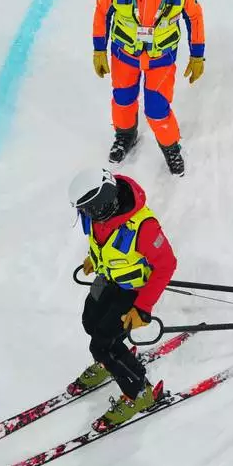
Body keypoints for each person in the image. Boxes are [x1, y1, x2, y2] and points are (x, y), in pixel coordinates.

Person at [68, 167, 176, 430]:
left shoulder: (144, 227)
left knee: (102, 344)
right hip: (108, 279)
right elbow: (104, 244)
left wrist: (143, 308)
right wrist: (93, 259)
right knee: (90, 322)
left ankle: (139, 393)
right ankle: (111, 362)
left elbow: (166, 264)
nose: (87, 215)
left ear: (106, 200)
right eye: (84, 210)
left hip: (134, 290)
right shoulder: (98, 215)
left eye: (90, 209)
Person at [91, 0, 206, 176]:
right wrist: (99, 49)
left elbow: (194, 17)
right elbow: (102, 12)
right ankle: (125, 136)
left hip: (161, 59)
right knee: (123, 100)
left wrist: (197, 55)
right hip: (124, 55)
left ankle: (171, 148)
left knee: (157, 109)